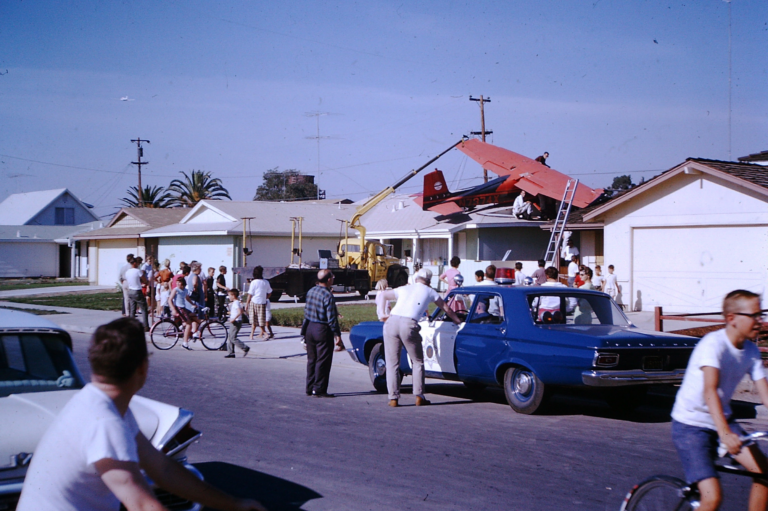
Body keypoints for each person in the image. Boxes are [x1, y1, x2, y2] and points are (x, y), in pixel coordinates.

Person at [16, 317, 266, 511]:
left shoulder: (103, 405)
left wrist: (234, 505)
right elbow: (142, 504)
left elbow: (162, 469)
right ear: (142, 368)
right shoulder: (103, 420)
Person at [671, 290, 767, 511]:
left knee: (764, 473)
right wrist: (725, 434)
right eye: (755, 315)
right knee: (712, 497)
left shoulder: (751, 350)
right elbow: (710, 391)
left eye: (761, 314)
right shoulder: (713, 344)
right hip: (690, 425)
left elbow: (765, 392)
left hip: (723, 420)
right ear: (732, 318)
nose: (760, 321)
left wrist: (725, 430)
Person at [378, 268, 462, 407]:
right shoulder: (430, 291)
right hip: (409, 324)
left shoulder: (404, 288)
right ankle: (419, 395)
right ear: (429, 280)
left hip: (391, 322)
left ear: (416, 278)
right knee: (417, 361)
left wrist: (382, 314)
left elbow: (383, 296)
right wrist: (458, 321)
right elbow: (446, 308)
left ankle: (393, 398)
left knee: (392, 363)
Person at [301, 269, 343, 398]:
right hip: (322, 329)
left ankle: (309, 387)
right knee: (323, 360)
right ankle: (319, 389)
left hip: (310, 328)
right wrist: (337, 335)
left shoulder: (311, 291)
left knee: (312, 359)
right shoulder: (328, 295)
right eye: (332, 277)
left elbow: (306, 312)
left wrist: (303, 333)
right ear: (329, 279)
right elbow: (331, 318)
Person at [169, 277, 200, 350]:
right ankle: (185, 343)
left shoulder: (185, 290)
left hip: (183, 308)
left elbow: (187, 298)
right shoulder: (176, 290)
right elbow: (170, 300)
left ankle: (186, 328)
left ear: (183, 284)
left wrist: (193, 304)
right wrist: (173, 309)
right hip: (179, 308)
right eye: (177, 282)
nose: (177, 284)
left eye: (179, 282)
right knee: (189, 323)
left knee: (195, 317)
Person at [245, 266, 272, 340]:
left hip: (254, 302)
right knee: (261, 320)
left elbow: (250, 294)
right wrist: (265, 297)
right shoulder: (266, 282)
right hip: (262, 303)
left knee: (254, 320)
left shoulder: (253, 282)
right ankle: (252, 335)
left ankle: (264, 334)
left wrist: (246, 304)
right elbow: (270, 292)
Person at [125, 258, 149, 331]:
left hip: (130, 290)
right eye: (138, 263)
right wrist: (146, 282)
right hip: (137, 290)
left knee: (132, 309)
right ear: (134, 263)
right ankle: (145, 326)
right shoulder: (137, 271)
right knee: (144, 308)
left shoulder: (127, 272)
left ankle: (131, 326)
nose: (139, 264)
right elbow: (144, 279)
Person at [224, 289, 249, 358]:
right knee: (230, 337)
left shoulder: (236, 303)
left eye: (229, 295)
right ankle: (231, 353)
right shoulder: (236, 302)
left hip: (236, 322)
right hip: (235, 321)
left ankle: (245, 347)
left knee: (232, 337)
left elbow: (240, 311)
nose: (228, 297)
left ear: (233, 295)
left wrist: (233, 319)